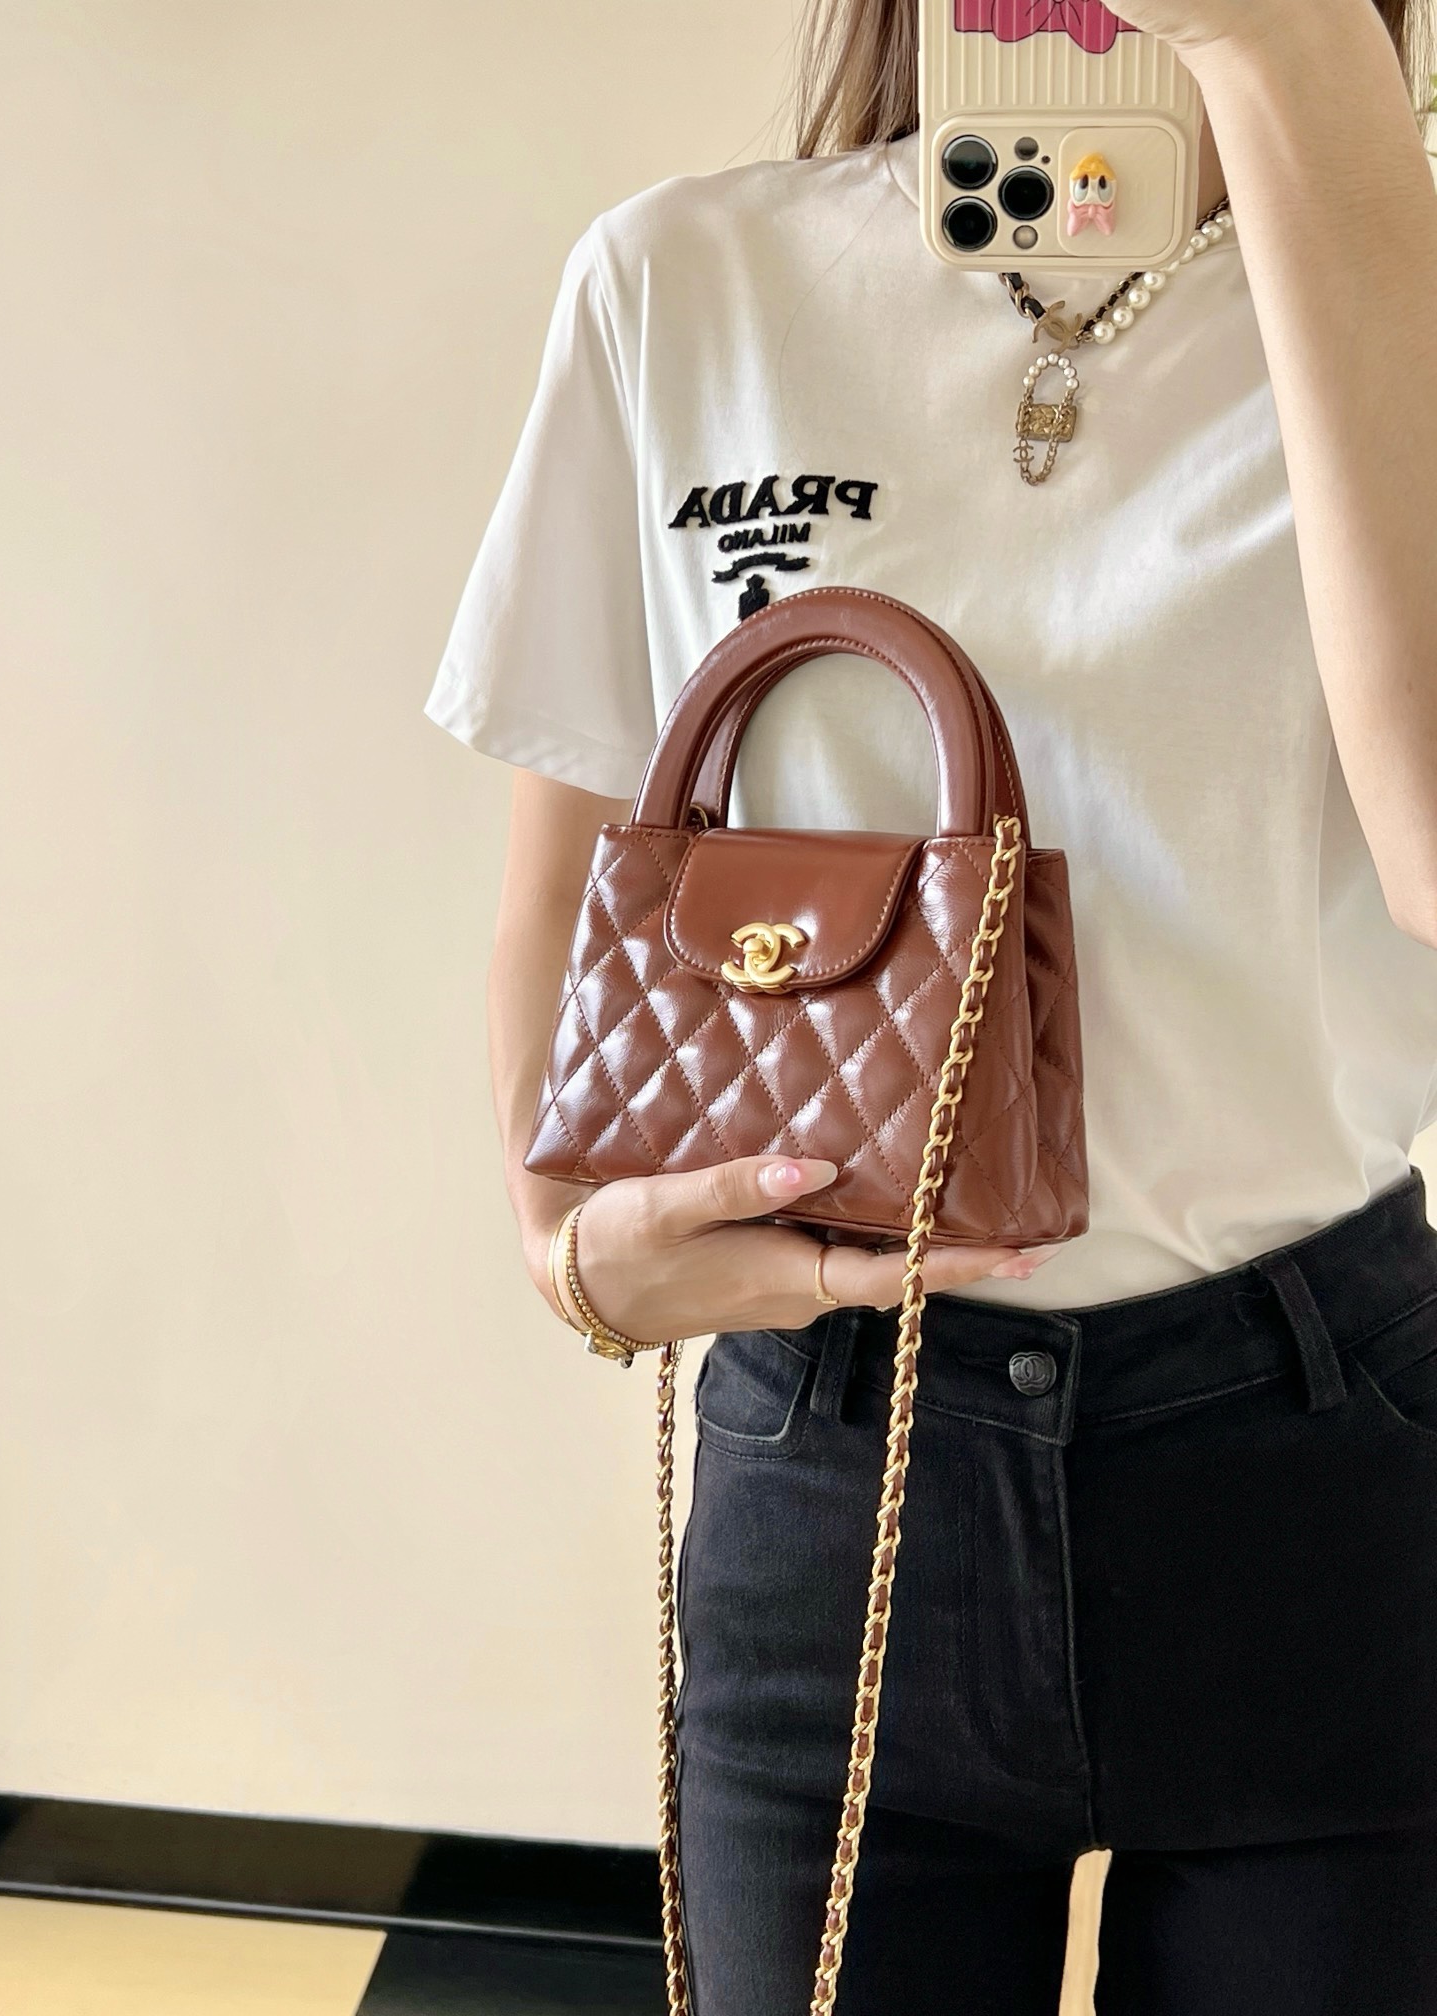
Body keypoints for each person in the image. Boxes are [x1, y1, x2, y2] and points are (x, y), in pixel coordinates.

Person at [424, 1, 1437, 2008]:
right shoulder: (687, 281)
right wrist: (569, 1255)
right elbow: (569, 888)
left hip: (1310, 1446)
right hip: (836, 1447)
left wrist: (1304, 74)